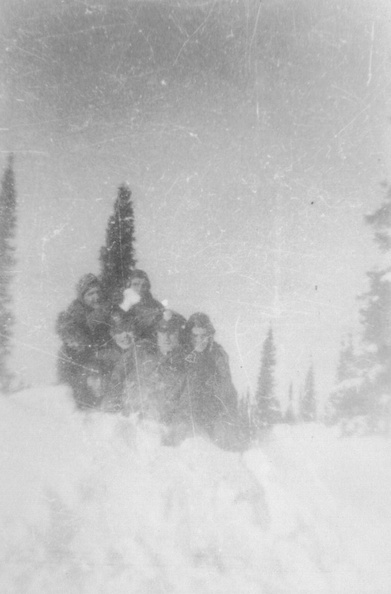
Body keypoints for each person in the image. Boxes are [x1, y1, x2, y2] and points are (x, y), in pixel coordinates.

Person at [177, 312, 238, 440]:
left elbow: (227, 390)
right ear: (189, 336)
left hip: (211, 414)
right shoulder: (181, 354)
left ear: (210, 336)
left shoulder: (217, 356)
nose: (199, 340)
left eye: (203, 336)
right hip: (184, 413)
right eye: (195, 336)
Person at [56, 273, 111, 409]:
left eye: (98, 292)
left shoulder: (107, 309)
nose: (96, 297)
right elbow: (71, 335)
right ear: (82, 297)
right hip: (82, 364)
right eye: (90, 294)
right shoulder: (74, 314)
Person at [99, 311, 156, 416]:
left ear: (136, 331)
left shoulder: (144, 349)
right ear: (113, 336)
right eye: (119, 331)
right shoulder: (106, 355)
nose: (124, 336)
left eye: (128, 330)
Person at [146, 309, 188, 425]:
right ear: (156, 334)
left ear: (179, 334)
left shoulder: (187, 362)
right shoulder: (144, 356)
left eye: (172, 332)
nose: (167, 337)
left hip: (172, 423)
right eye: (162, 332)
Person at [118, 269, 164, 345]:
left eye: (144, 285)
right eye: (135, 284)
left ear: (148, 287)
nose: (139, 289)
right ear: (128, 286)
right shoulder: (121, 306)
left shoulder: (156, 306)